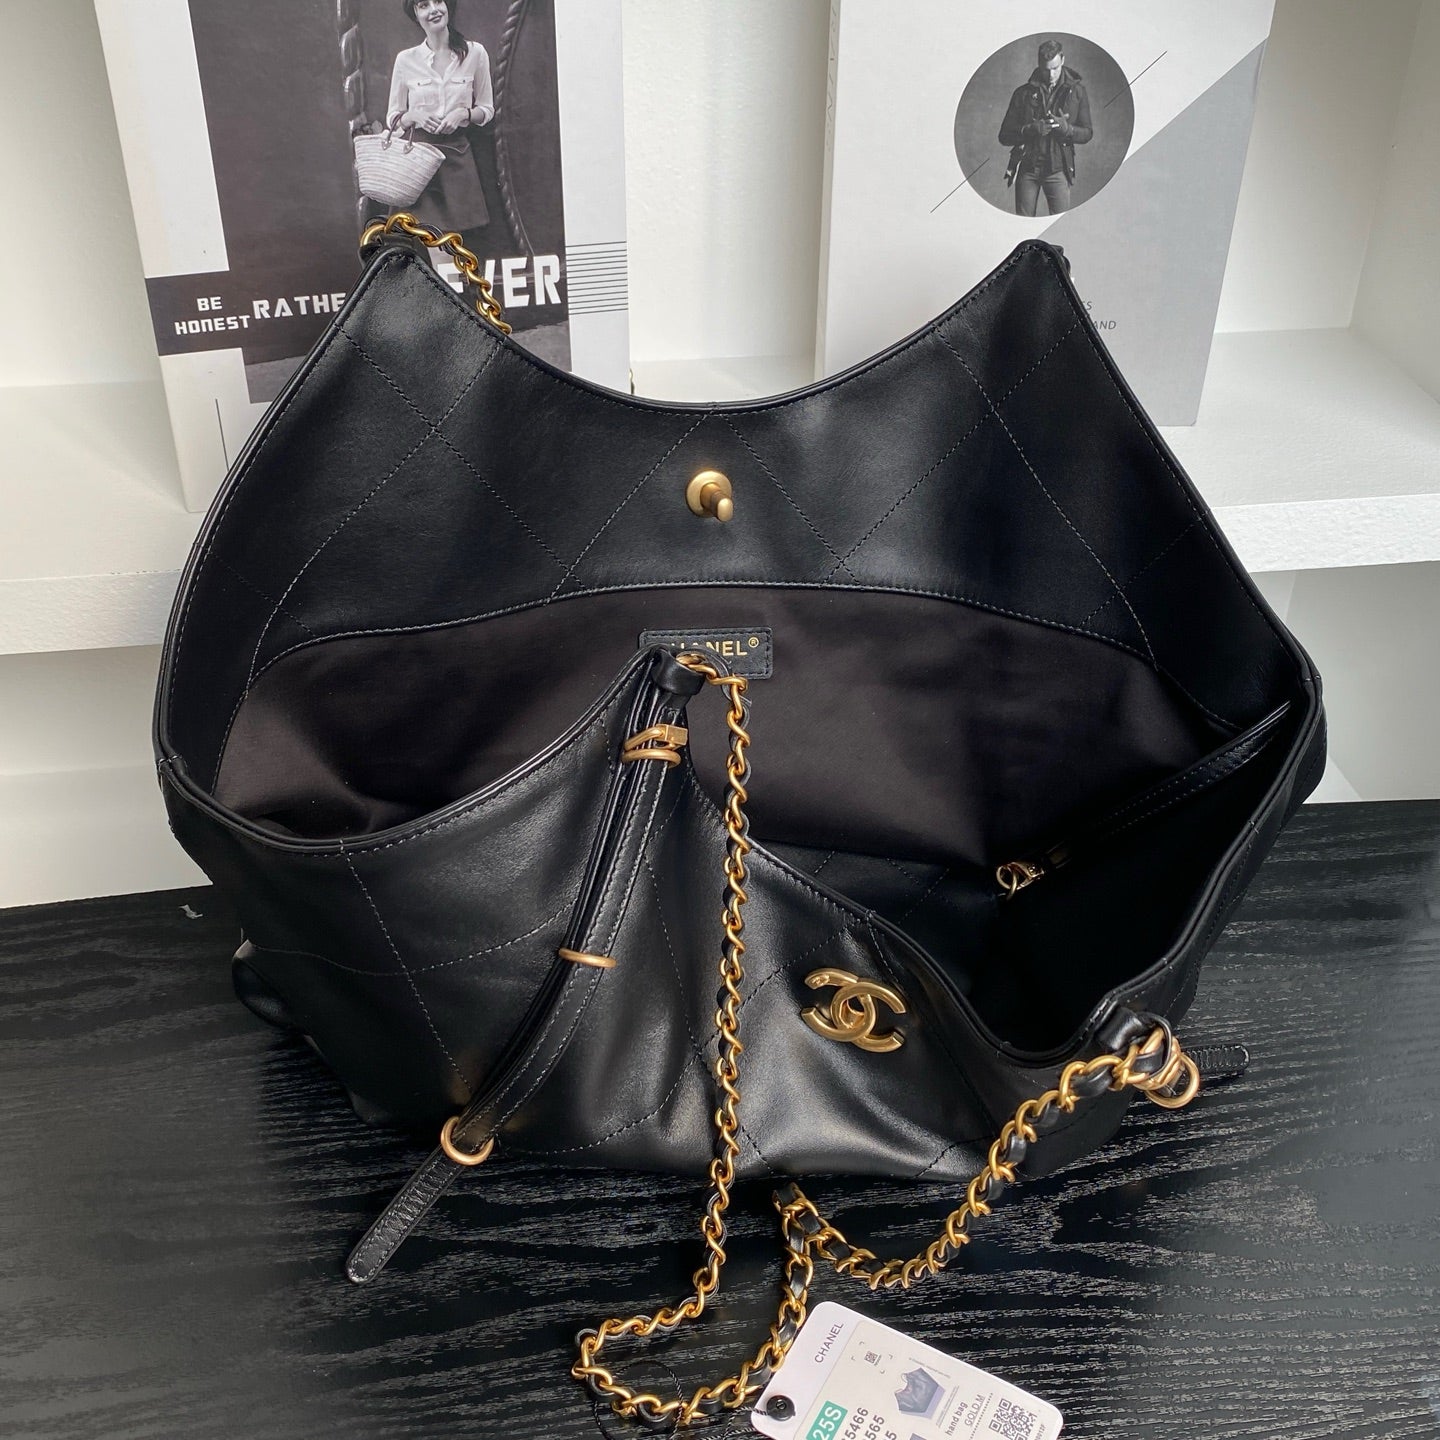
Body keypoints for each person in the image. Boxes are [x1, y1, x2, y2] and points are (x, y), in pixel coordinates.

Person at [385, 0, 494, 234]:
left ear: (447, 6)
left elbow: (486, 110)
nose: (433, 10)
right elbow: (393, 118)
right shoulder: (406, 59)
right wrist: (415, 115)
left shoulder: (475, 53)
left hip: (456, 157)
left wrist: (463, 113)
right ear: (415, 14)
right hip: (418, 161)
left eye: (438, 2)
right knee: (428, 237)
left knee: (454, 240)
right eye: (424, 5)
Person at [997, 39, 1093, 217]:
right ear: (1038, 64)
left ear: (1062, 59)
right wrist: (1030, 129)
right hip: (1027, 169)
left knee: (1060, 223)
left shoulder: (1078, 92)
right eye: (1046, 69)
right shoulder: (1022, 93)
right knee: (1023, 224)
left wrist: (1067, 129)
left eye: (1055, 68)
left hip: (1058, 170)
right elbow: (1004, 136)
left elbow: (1087, 133)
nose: (1051, 75)